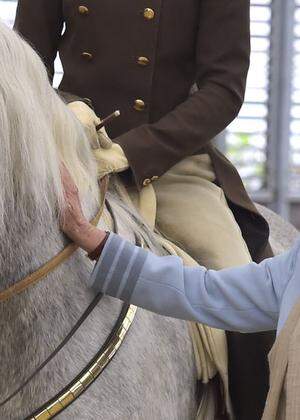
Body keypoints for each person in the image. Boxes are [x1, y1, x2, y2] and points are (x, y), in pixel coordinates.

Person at [14, 2, 273, 418]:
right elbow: (27, 67)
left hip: (168, 161)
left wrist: (135, 151)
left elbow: (224, 88)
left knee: (244, 299)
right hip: (67, 148)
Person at [60, 166, 300, 420]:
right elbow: (205, 292)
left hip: (170, 166)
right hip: (109, 171)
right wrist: (92, 239)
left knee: (227, 254)